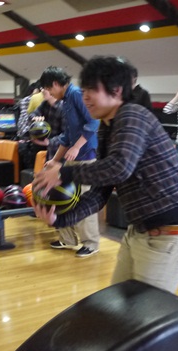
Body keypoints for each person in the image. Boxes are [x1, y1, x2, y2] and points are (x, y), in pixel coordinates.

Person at [33, 56, 178, 292]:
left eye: (92, 89)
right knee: (119, 305)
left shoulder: (133, 115)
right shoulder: (107, 128)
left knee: (141, 312)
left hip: (170, 237)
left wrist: (65, 172)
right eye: (84, 89)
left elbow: (119, 167)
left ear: (117, 90)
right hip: (139, 234)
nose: (85, 96)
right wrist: (61, 219)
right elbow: (100, 192)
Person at [38, 66, 101, 258]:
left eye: (49, 89)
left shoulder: (76, 95)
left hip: (86, 157)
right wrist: (54, 160)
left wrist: (77, 147)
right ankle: (68, 239)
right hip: (72, 159)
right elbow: (67, 135)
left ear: (56, 84)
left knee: (83, 200)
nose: (49, 94)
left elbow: (94, 122)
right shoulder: (65, 100)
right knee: (60, 197)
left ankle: (91, 243)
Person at [29, 88, 64, 162]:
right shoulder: (45, 104)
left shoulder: (63, 107)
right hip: (46, 148)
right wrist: (34, 117)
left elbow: (67, 135)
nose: (42, 90)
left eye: (45, 88)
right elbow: (33, 114)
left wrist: (49, 142)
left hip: (58, 151)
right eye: (42, 88)